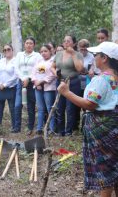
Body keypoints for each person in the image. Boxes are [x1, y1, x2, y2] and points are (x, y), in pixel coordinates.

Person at [57, 41, 118, 197]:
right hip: (113, 126)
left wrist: (66, 93)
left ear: (104, 58)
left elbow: (90, 104)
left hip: (102, 129)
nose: (93, 58)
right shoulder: (115, 78)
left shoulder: (102, 80)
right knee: (114, 167)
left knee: (105, 170)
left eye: (96, 55)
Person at [52, 35, 84, 136]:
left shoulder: (78, 54)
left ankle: (69, 131)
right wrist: (56, 74)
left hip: (73, 83)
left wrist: (73, 54)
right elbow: (52, 67)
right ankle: (61, 131)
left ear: (74, 43)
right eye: (65, 41)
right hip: (60, 82)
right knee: (60, 107)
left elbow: (79, 69)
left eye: (69, 41)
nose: (66, 43)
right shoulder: (59, 53)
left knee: (70, 108)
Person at [14, 37, 41, 134]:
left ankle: (30, 128)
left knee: (30, 106)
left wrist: (29, 78)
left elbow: (39, 69)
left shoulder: (37, 55)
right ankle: (16, 127)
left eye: (31, 43)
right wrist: (23, 78)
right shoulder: (19, 55)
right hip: (20, 82)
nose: (28, 45)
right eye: (27, 43)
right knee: (17, 105)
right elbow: (16, 68)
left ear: (34, 45)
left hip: (32, 83)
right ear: (24, 44)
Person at [31, 44, 56, 135]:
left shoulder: (53, 61)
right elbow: (34, 73)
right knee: (40, 108)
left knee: (50, 108)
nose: (43, 53)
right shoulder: (39, 61)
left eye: (45, 51)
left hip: (48, 88)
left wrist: (41, 82)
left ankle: (51, 128)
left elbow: (52, 75)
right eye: (41, 51)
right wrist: (36, 82)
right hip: (38, 88)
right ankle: (39, 128)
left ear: (50, 51)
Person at [0, 44, 17, 129]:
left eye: (8, 49)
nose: (6, 51)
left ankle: (14, 126)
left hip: (11, 87)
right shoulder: (0, 61)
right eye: (5, 50)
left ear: (12, 50)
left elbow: (15, 76)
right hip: (0, 87)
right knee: (0, 107)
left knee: (12, 107)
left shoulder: (15, 61)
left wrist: (5, 85)